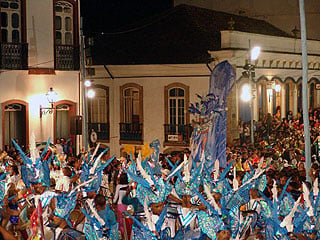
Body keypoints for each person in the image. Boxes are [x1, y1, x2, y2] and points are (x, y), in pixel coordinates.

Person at [113, 172, 128, 237]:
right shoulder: (129, 186)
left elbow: (116, 196)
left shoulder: (118, 186)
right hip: (127, 206)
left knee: (120, 221)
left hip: (120, 205)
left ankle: (122, 235)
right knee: (127, 221)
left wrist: (113, 202)